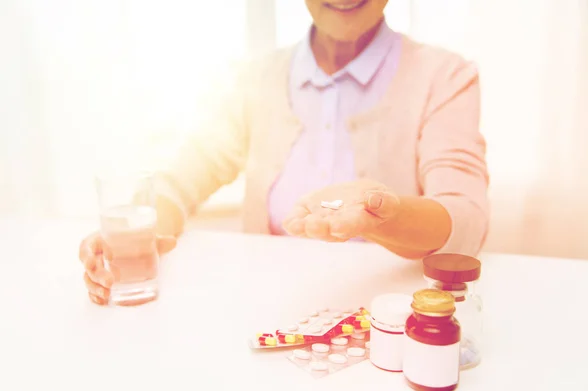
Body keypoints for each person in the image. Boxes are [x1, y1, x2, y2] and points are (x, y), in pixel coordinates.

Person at [79, 0, 489, 305]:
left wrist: (388, 215)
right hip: (267, 314)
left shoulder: (446, 77)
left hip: (391, 323)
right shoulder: (254, 78)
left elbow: (466, 218)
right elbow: (183, 177)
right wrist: (136, 232)